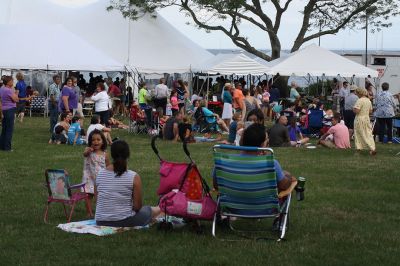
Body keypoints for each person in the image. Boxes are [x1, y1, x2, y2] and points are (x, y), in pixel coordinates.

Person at [95, 140, 161, 227]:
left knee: (149, 210)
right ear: (128, 155)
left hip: (100, 220)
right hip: (123, 220)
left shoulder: (100, 173)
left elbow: (97, 199)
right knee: (149, 210)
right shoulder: (133, 176)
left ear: (112, 155)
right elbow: (137, 207)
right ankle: (163, 208)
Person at [82, 129, 110, 195]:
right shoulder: (88, 150)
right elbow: (85, 154)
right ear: (90, 141)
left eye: (98, 139)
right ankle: (89, 205)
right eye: (93, 140)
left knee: (100, 196)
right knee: (88, 195)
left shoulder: (105, 154)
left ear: (103, 141)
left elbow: (108, 166)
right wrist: (89, 150)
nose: (96, 142)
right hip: (89, 177)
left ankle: (99, 205)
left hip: (101, 178)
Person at [353, 87, 376, 155]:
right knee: (368, 133)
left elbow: (357, 111)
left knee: (359, 134)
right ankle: (372, 148)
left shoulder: (359, 100)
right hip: (367, 118)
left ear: (359, 93)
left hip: (359, 119)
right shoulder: (368, 100)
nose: (356, 94)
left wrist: (353, 109)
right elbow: (371, 111)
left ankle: (358, 149)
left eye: (357, 93)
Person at [0, 76, 18, 151]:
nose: (13, 82)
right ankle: (7, 148)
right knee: (9, 130)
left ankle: (2, 146)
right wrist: (16, 93)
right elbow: (16, 100)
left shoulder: (2, 89)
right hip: (10, 110)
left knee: (4, 129)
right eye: (12, 80)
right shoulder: (9, 90)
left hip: (4, 110)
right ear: (8, 82)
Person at [48, 75, 62, 144]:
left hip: (56, 103)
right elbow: (51, 95)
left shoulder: (57, 86)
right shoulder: (52, 86)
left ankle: (53, 129)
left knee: (55, 117)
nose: (58, 80)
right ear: (54, 80)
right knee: (53, 118)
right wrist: (54, 103)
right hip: (53, 103)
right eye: (57, 79)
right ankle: (53, 130)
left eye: (59, 79)